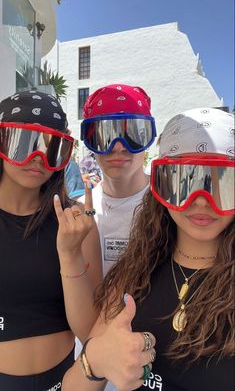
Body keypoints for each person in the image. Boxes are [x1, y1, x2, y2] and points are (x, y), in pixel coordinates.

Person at [61, 107, 234, 391]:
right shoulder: (135, 273)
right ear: (162, 186)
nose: (202, 201)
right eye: (185, 182)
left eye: (223, 183)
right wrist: (94, 361)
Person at [0, 90, 102, 390]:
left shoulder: (77, 222)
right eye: (25, 143)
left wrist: (70, 256)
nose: (38, 159)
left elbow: (89, 332)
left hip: (63, 380)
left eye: (52, 147)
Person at [80, 83, 157, 275]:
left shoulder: (170, 206)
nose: (118, 147)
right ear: (90, 141)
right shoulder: (80, 211)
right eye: (105, 136)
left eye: (132, 136)